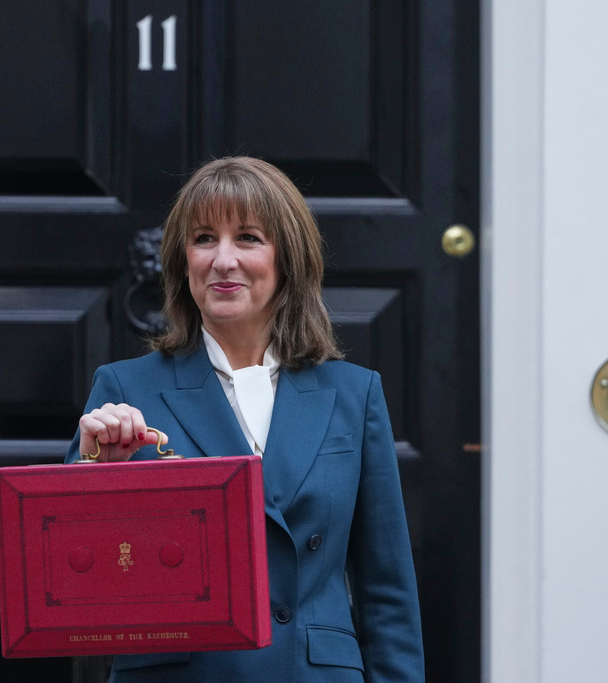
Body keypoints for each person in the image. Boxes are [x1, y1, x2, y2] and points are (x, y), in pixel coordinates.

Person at [65, 156, 423, 682]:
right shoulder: (125, 390)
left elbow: (386, 588)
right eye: (204, 238)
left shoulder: (352, 393)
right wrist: (102, 473)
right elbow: (72, 577)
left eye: (248, 238)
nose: (223, 260)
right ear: (182, 261)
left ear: (287, 260)